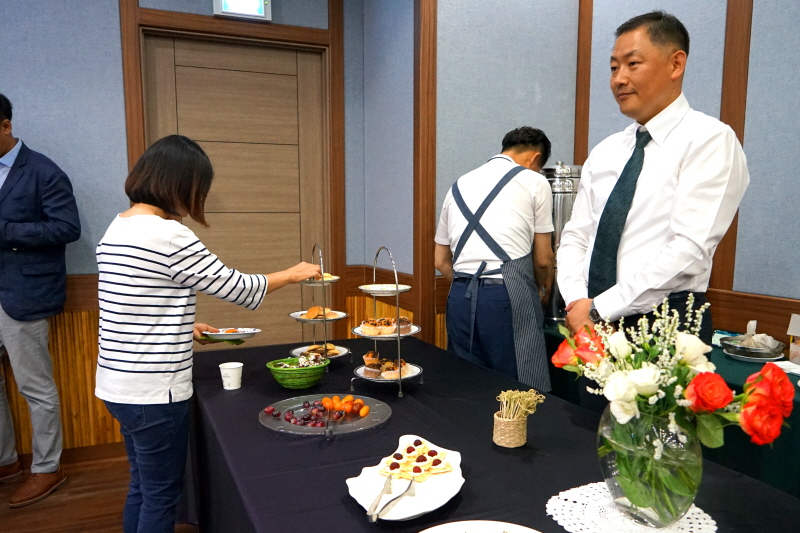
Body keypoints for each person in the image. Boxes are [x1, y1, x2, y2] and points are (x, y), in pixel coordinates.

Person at [94, 135, 320, 533]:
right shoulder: (168, 235)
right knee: (162, 494)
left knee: (142, 487)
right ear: (180, 184)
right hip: (154, 390)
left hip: (116, 384)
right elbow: (238, 287)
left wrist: (184, 324)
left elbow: (133, 302)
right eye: (199, 189)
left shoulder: (118, 226)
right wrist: (292, 273)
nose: (200, 199)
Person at [558, 11, 750, 344]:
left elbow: (688, 249)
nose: (619, 79)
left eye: (633, 64)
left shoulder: (709, 140)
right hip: (590, 323)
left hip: (666, 322)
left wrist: (599, 308)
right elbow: (576, 237)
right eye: (614, 67)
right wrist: (579, 304)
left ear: (676, 64)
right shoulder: (606, 151)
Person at [0, 93, 81, 507]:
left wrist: (8, 230)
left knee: (36, 386)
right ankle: (6, 461)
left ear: (5, 125)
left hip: (24, 294)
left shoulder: (44, 171)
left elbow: (68, 228)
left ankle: (47, 468)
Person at [435, 127, 554, 390]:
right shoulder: (535, 181)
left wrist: (470, 286)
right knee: (519, 388)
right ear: (535, 159)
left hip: (459, 297)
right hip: (507, 296)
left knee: (467, 386)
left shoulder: (458, 184)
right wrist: (541, 288)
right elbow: (544, 259)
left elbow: (441, 261)